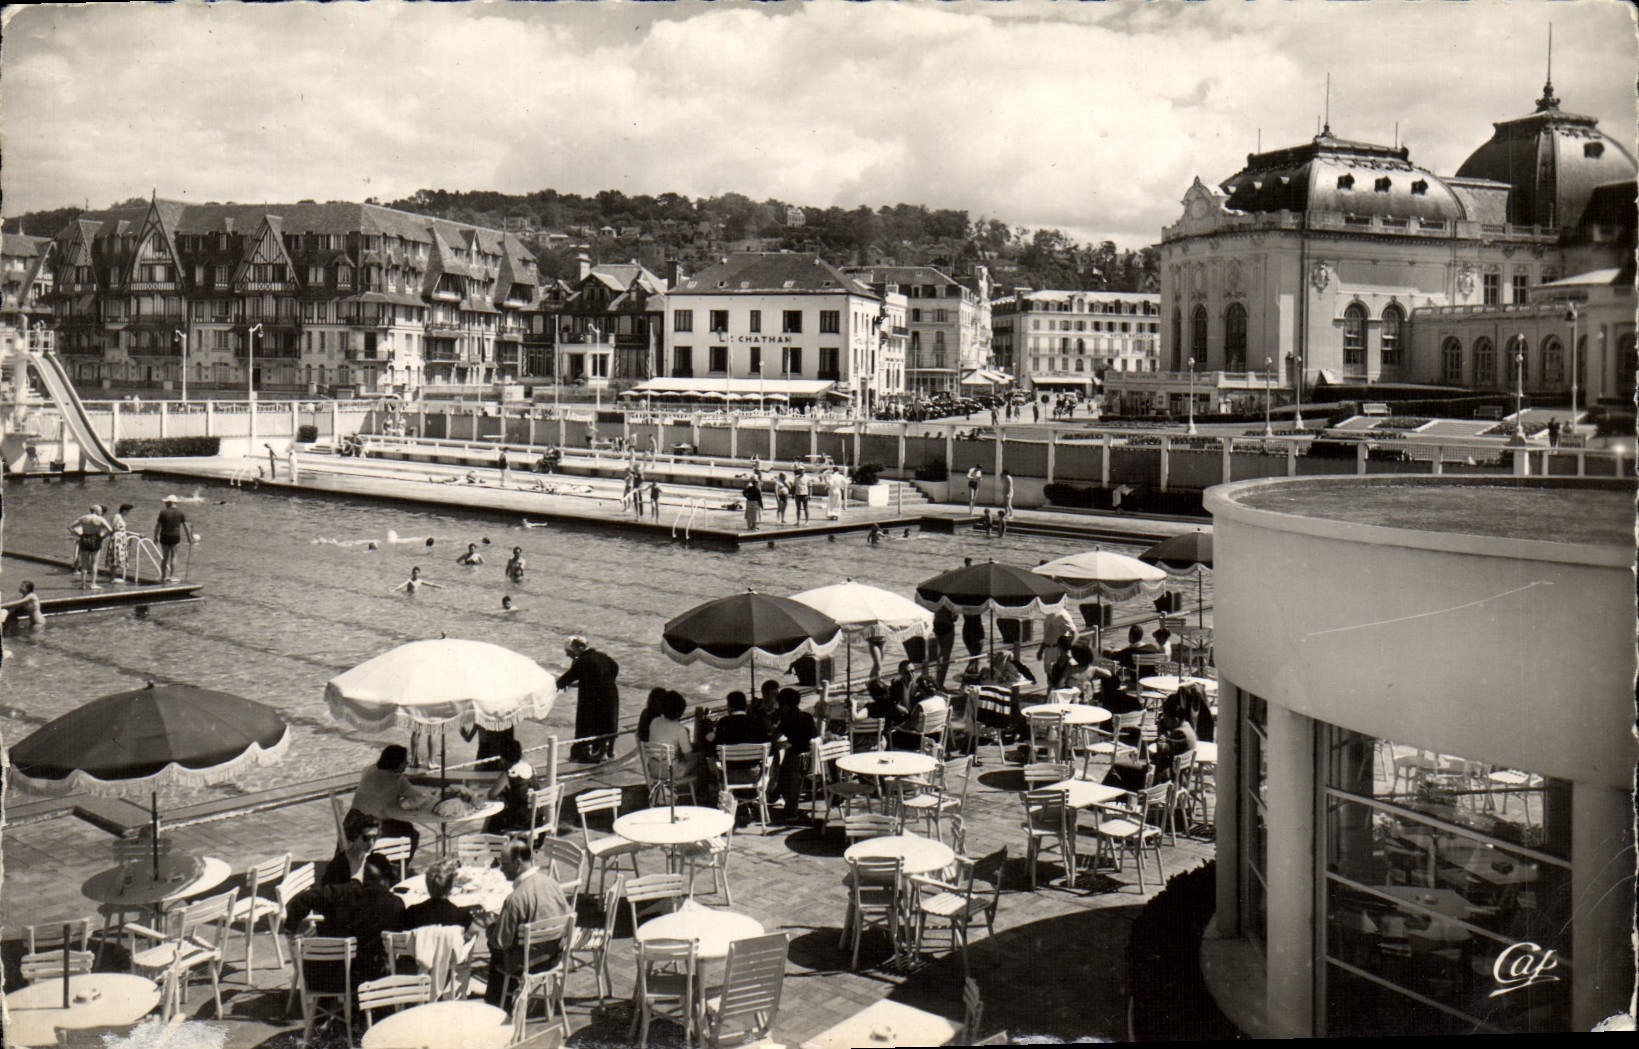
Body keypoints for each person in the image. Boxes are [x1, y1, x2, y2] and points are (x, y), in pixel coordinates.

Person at [286, 852, 405, 990]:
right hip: (371, 977)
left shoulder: (342, 892)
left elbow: (303, 900)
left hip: (328, 977)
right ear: (385, 880)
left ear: (364, 877)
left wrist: (291, 930)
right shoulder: (395, 904)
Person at [480, 839, 572, 1008]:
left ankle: (496, 1004)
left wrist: (489, 925)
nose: (501, 868)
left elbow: (501, 942)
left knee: (493, 946)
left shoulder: (515, 899)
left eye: (504, 864)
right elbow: (568, 916)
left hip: (525, 962)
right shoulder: (551, 883)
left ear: (517, 864)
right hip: (553, 955)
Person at [348, 745, 426, 859]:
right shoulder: (398, 780)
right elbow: (419, 797)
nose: (407, 764)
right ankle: (399, 868)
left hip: (352, 823)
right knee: (412, 834)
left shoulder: (369, 770)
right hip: (373, 828)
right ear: (396, 763)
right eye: (404, 761)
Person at [558, 636, 620, 762]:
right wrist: (604, 680)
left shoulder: (583, 661)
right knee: (607, 723)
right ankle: (607, 751)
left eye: (570, 652)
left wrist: (553, 685)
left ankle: (583, 755)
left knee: (587, 724)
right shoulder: (601, 656)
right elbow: (615, 667)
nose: (569, 655)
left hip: (592, 699)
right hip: (610, 694)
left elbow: (565, 680)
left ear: (577, 649)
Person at [768, 688, 817, 821]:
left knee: (790, 782)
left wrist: (773, 729)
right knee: (794, 784)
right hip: (808, 756)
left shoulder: (788, 719)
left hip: (795, 756)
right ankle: (788, 806)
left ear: (786, 705)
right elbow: (814, 735)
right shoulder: (807, 716)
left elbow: (775, 737)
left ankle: (791, 812)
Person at [399, 857, 473, 934]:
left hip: (419, 946)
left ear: (427, 885)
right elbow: (472, 936)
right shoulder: (461, 916)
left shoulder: (412, 913)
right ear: (450, 886)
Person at [484, 738, 535, 835]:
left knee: (495, 814)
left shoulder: (510, 773)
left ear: (503, 758)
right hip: (535, 819)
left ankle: (490, 841)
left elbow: (491, 794)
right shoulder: (530, 768)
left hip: (520, 822)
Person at [323, 811, 385, 886]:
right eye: (366, 838)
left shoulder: (372, 860)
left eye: (374, 837)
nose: (371, 843)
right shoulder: (338, 865)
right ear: (355, 836)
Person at [645, 690, 693, 778]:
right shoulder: (680, 729)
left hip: (653, 770)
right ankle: (701, 789)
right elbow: (688, 756)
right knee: (699, 759)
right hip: (671, 772)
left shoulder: (654, 722)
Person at [70, 505, 112, 590]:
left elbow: (70, 527)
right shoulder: (100, 519)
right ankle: (93, 583)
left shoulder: (83, 518)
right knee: (94, 563)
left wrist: (78, 534)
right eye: (100, 511)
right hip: (95, 538)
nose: (101, 512)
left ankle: (83, 584)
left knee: (84, 563)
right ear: (97, 511)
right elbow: (110, 530)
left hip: (84, 538)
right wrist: (103, 537)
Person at [105, 502, 134, 583]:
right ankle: (112, 578)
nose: (128, 513)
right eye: (128, 511)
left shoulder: (120, 517)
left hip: (120, 539)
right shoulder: (117, 516)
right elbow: (113, 528)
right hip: (117, 539)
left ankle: (113, 577)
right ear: (124, 510)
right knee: (115, 556)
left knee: (117, 557)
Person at [930, 605, 957, 687]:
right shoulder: (949, 598)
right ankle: (940, 684)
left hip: (936, 624)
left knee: (938, 657)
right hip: (947, 625)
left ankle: (936, 682)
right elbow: (955, 617)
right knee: (946, 657)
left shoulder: (936, 595)